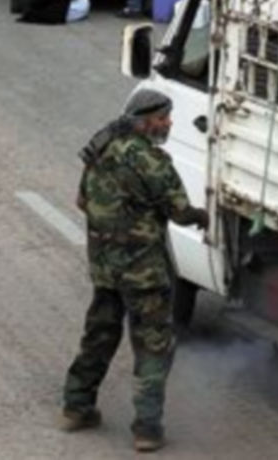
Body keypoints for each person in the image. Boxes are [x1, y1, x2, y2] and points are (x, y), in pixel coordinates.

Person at [60, 89, 209, 453]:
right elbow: (179, 212)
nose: (168, 123)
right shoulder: (153, 162)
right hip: (144, 272)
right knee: (153, 345)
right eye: (162, 118)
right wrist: (205, 217)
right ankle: (146, 429)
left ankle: (77, 407)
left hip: (106, 268)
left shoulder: (101, 149)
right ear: (145, 122)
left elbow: (82, 201)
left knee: (99, 335)